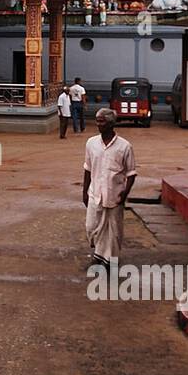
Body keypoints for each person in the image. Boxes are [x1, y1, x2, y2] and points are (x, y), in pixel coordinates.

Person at [82, 109, 136, 269]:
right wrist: (84, 192)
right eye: (97, 121)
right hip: (95, 193)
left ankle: (105, 260)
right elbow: (87, 169)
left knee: (113, 230)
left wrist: (124, 194)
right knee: (92, 226)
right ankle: (99, 255)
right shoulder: (91, 143)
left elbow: (131, 173)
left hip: (115, 194)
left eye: (102, 121)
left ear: (112, 123)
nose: (98, 124)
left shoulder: (125, 146)